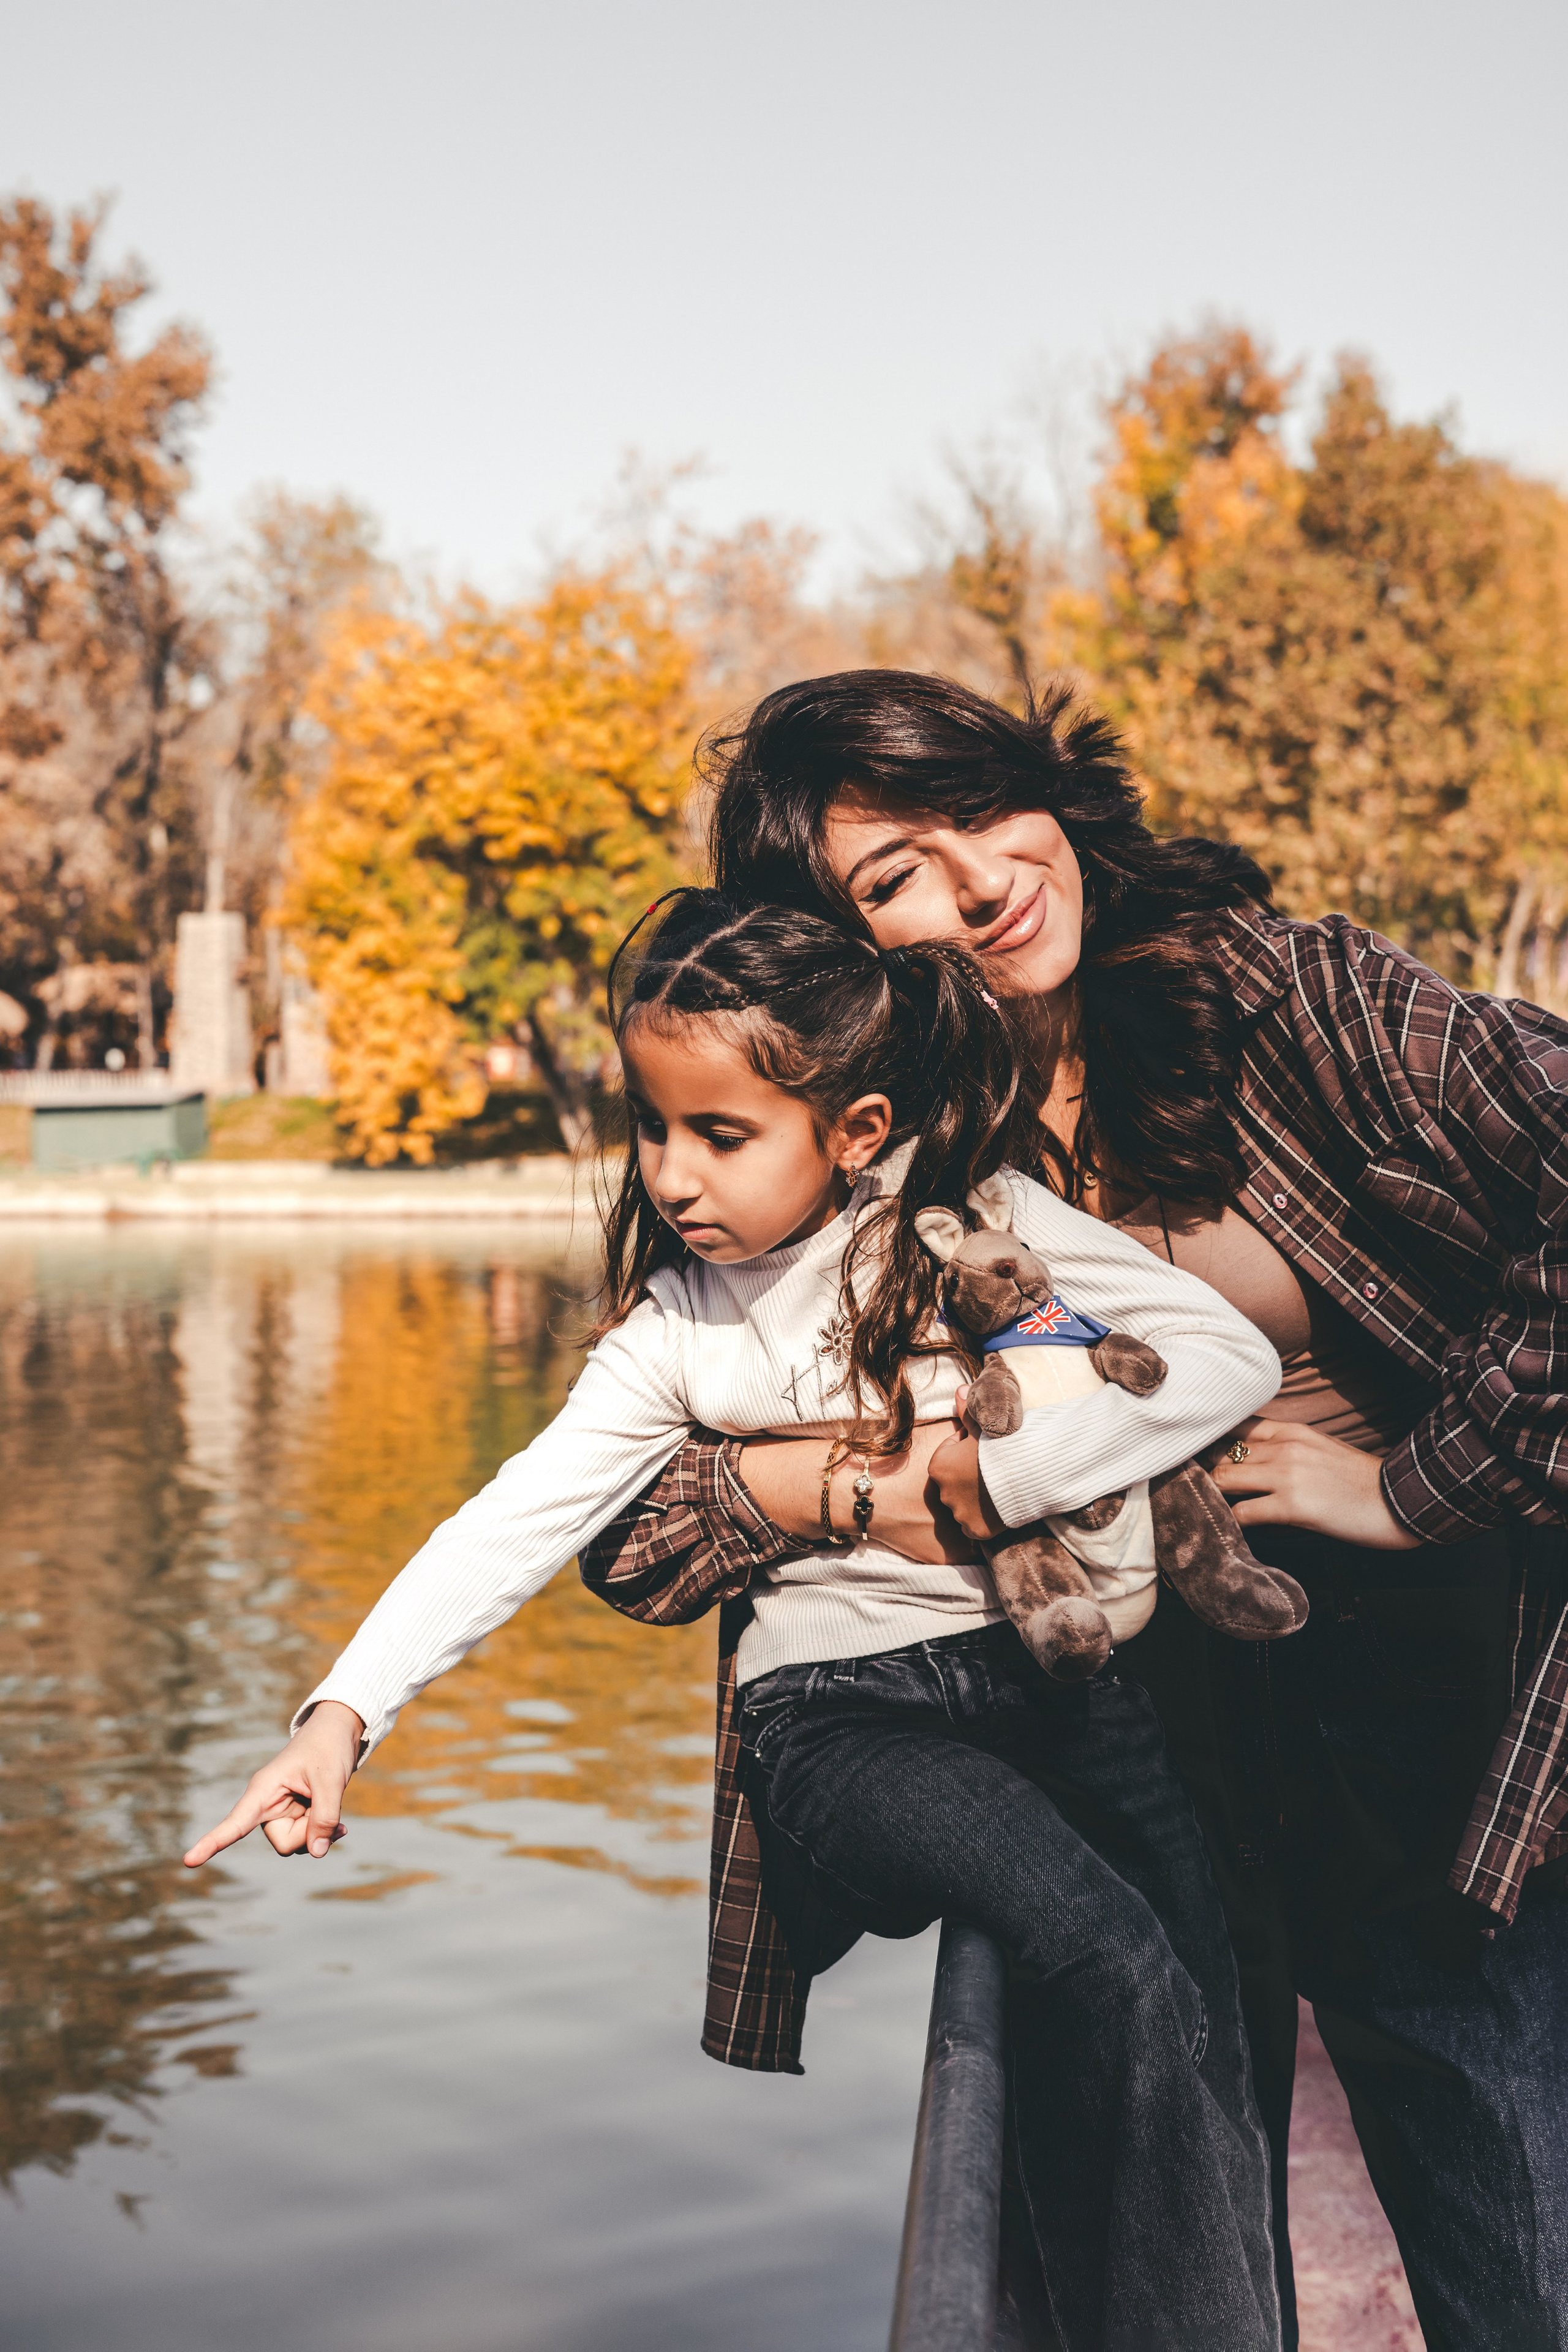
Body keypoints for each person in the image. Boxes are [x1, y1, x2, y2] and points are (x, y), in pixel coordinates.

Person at [586, 669, 1568, 2352]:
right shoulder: (857, 1147)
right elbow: (637, 1528)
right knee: (1178, 2206)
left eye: (980, 806)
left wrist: (1417, 1486)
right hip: (1122, 1722)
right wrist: (852, 1486)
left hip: (1423, 1701)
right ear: (834, 947)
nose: (979, 878)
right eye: (893, 874)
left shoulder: (1288, 996)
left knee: (1500, 2204)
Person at [185, 892, 1284, 2351]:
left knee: (1192, 1992)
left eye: (720, 1133)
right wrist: (339, 1718)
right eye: (651, 1127)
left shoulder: (983, 1226)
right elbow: (513, 1523)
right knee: (1098, 1949)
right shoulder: (675, 1332)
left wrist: (998, 1475)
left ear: (852, 1128)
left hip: (1046, 1678)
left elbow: (1221, 1354)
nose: (674, 1174)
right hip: (839, 1721)